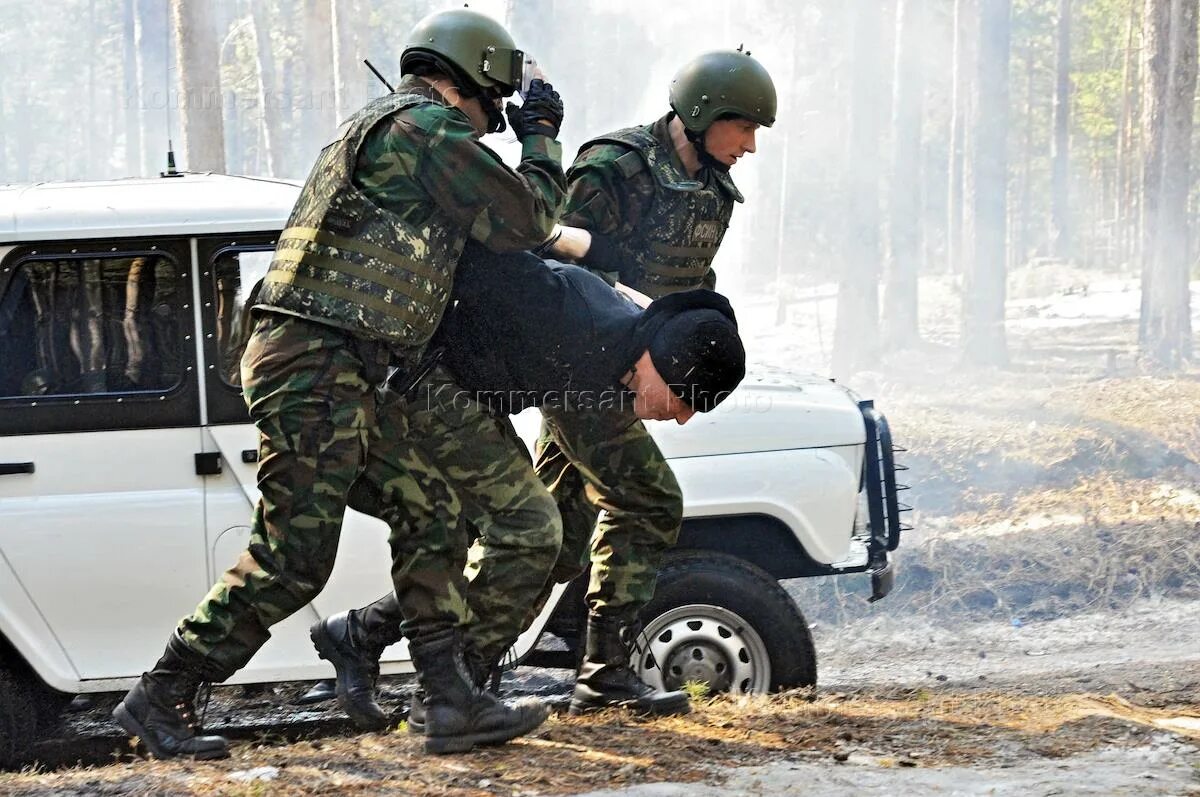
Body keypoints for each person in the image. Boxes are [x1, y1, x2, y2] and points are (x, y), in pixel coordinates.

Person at [112, 8, 567, 760]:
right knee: (294, 554)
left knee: (434, 508)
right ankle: (161, 695)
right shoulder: (426, 131)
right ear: (478, 79)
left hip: (343, 366)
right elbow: (531, 216)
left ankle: (448, 698)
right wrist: (543, 131)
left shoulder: (384, 128)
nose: (496, 121)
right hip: (316, 365)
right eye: (498, 103)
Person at [306, 240, 746, 732]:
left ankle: (368, 635)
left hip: (475, 394)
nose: (682, 420)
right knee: (531, 528)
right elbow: (480, 255)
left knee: (548, 543)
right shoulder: (568, 311)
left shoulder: (624, 354)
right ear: (663, 364)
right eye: (685, 401)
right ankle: (452, 694)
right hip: (426, 385)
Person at [532, 48, 777, 715]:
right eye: (744, 128)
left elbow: (691, 283)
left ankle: (426, 654)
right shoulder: (615, 166)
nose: (751, 146)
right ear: (703, 114)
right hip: (581, 367)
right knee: (647, 502)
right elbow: (553, 263)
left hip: (635, 375)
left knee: (548, 538)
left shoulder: (714, 188)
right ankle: (604, 673)